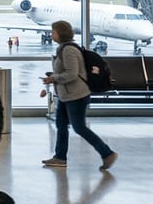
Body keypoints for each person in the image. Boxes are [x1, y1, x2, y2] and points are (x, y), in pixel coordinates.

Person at [40, 20, 119, 171]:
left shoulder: (68, 50)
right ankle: (60, 157)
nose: (52, 35)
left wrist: (54, 78)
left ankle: (107, 153)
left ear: (60, 33)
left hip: (76, 94)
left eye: (54, 32)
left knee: (79, 127)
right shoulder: (63, 48)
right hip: (66, 94)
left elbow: (72, 73)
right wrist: (54, 75)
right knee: (61, 125)